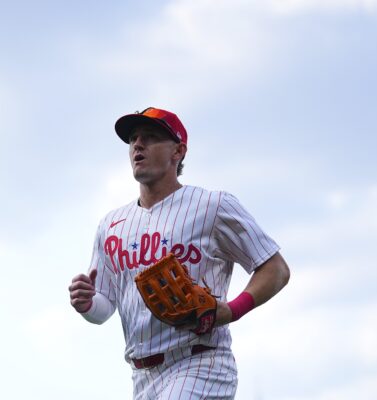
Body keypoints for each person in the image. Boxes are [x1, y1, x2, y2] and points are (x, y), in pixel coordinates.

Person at [69, 107, 290, 400]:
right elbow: (104, 308)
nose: (138, 145)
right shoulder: (111, 225)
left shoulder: (212, 206)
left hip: (200, 362)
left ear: (178, 151)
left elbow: (275, 268)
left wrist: (232, 310)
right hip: (142, 376)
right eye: (134, 138)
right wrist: (86, 304)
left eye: (150, 137)